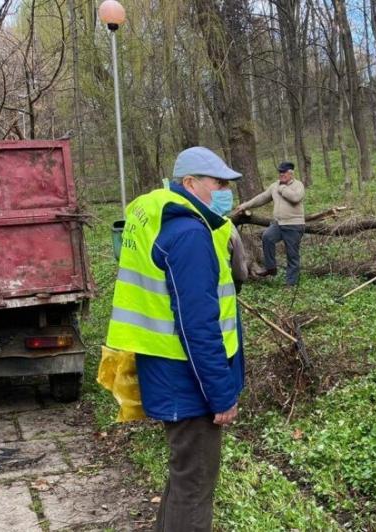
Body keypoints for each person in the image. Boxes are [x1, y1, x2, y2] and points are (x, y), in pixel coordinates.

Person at [105, 146, 245, 532]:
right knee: (195, 485)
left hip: (169, 374)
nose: (224, 191)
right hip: (189, 381)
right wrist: (221, 393)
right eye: (217, 183)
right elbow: (197, 326)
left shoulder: (160, 220)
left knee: (184, 477)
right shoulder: (189, 233)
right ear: (190, 183)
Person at [232, 161, 306, 286]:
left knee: (292, 254)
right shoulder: (274, 185)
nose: (281, 175)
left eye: (284, 173)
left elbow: (295, 198)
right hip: (278, 224)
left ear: (291, 173)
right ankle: (271, 268)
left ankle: (291, 283)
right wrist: (245, 205)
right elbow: (262, 197)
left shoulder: (298, 185)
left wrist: (282, 188)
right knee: (267, 237)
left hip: (294, 224)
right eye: (280, 172)